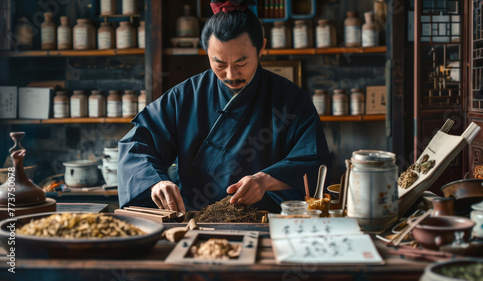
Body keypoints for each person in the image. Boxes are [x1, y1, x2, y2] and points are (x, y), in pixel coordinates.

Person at [117, 0, 331, 214]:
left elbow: (313, 160)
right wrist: (156, 183)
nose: (231, 75)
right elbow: (137, 143)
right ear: (206, 52)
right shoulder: (184, 96)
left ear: (262, 48)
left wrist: (264, 181)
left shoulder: (290, 99)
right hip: (195, 220)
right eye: (219, 64)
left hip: (267, 221)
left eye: (241, 63)